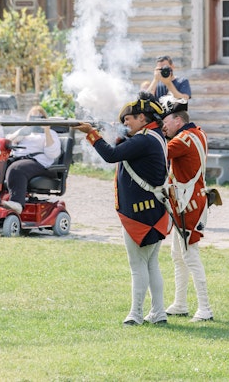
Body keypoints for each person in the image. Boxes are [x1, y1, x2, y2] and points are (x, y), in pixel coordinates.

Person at [75, 92, 170, 326]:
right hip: (152, 211)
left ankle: (136, 314)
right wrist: (115, 133)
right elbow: (125, 151)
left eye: (129, 118)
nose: (125, 122)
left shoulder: (145, 139)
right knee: (150, 264)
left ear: (143, 118)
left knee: (138, 266)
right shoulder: (152, 136)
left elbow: (111, 156)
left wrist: (91, 134)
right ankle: (158, 312)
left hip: (139, 214)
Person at [160, 95, 213, 322]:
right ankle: (180, 303)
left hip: (188, 204)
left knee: (190, 256)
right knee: (177, 255)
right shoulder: (197, 133)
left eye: (166, 121)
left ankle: (205, 309)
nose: (164, 126)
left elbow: (158, 153)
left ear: (178, 121)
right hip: (189, 200)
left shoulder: (182, 140)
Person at [1, 106, 61, 215]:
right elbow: (7, 142)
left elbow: (52, 153)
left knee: (16, 168)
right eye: (33, 117)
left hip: (40, 164)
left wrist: (46, 130)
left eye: (40, 117)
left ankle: (17, 203)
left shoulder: (51, 133)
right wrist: (21, 131)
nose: (36, 120)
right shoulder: (25, 132)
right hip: (19, 158)